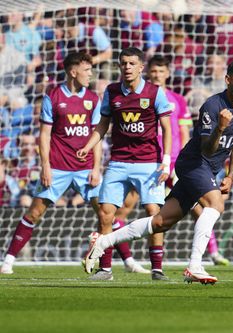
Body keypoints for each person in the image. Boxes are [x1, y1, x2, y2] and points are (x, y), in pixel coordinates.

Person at [83, 60, 233, 284]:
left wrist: (231, 174)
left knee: (160, 223)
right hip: (193, 163)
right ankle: (195, 265)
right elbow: (207, 148)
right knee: (216, 204)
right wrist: (221, 127)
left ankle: (102, 242)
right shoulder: (212, 106)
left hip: (212, 169)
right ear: (228, 80)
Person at [77, 47, 173, 281]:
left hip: (148, 162)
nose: (127, 67)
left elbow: (167, 128)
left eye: (132, 64)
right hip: (118, 162)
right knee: (106, 214)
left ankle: (157, 268)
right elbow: (102, 125)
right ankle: (106, 269)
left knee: (154, 213)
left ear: (141, 67)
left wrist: (166, 160)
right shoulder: (111, 92)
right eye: (123, 63)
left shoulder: (154, 92)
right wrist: (87, 147)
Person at [1, 53, 102, 274]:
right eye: (87, 70)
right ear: (73, 72)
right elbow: (44, 135)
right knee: (35, 212)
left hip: (86, 168)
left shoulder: (93, 99)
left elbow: (97, 134)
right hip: (57, 167)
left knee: (106, 212)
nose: (90, 74)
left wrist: (97, 168)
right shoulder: (53, 97)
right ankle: (8, 261)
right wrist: (45, 166)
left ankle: (125, 263)